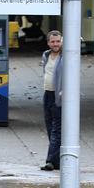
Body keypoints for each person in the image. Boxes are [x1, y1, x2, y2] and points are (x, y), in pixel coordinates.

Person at [40, 30, 64, 170]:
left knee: (57, 129)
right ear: (48, 42)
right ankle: (57, 159)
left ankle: (50, 161)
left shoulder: (66, 56)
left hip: (59, 95)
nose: (55, 44)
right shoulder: (46, 55)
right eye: (53, 41)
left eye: (58, 41)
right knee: (49, 126)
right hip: (47, 94)